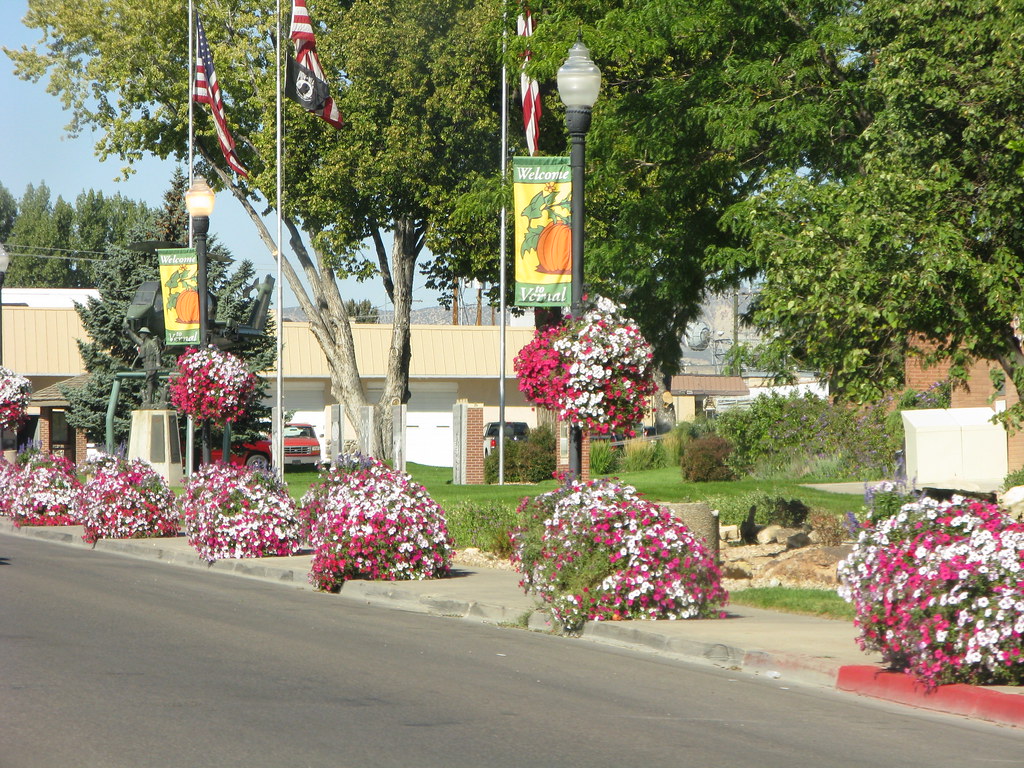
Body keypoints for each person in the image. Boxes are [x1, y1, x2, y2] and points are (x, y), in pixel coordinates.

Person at [125, 322, 163, 407]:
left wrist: (158, 363)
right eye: (140, 334)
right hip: (146, 364)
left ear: (146, 334)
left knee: (149, 381)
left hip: (151, 363)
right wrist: (128, 330)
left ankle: (149, 400)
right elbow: (135, 338)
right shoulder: (143, 343)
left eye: (142, 333)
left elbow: (157, 352)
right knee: (152, 382)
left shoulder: (151, 342)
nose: (141, 335)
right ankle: (162, 394)